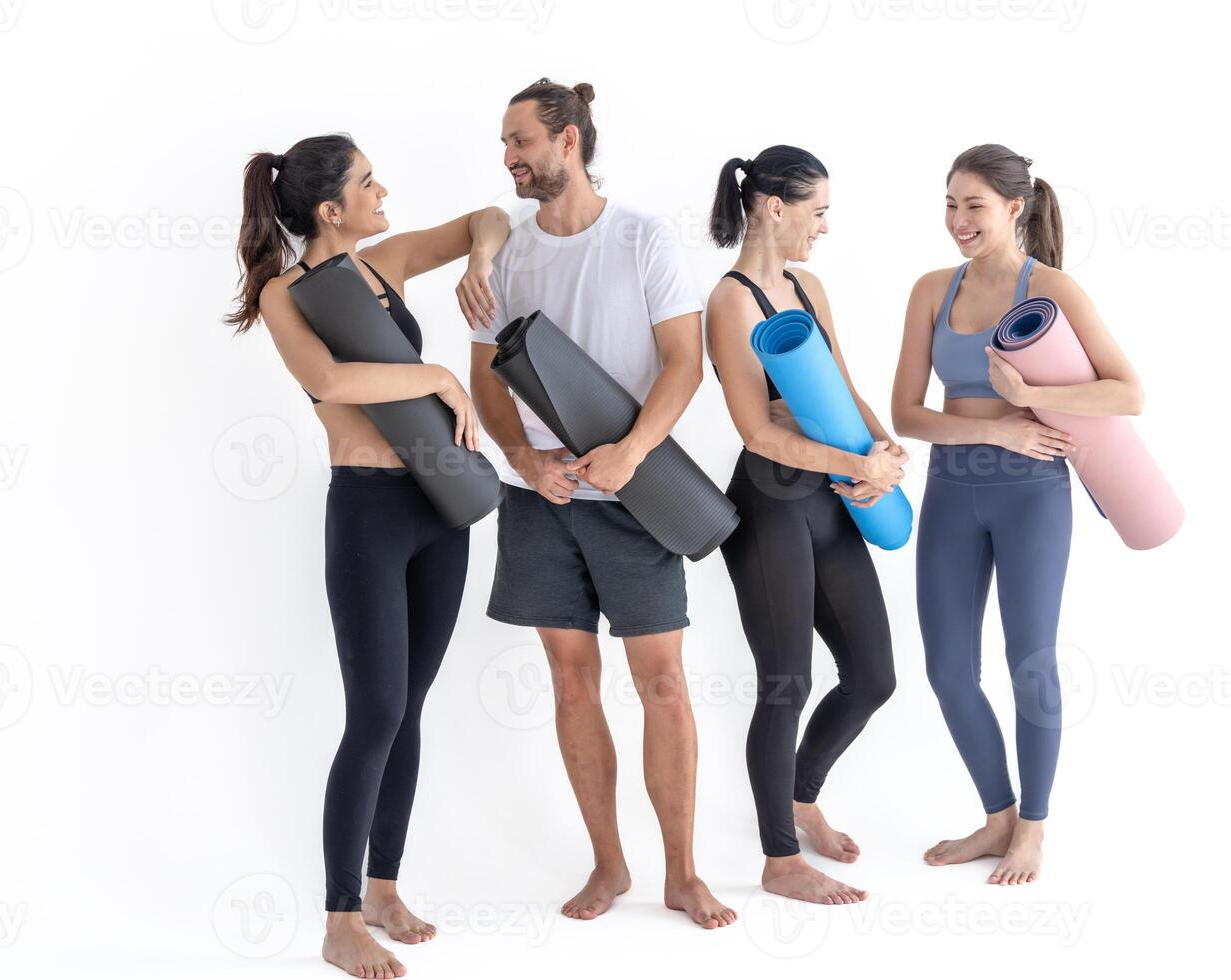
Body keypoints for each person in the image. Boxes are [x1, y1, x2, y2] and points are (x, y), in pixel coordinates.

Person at [228, 132, 509, 976]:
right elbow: (332, 382)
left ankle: (384, 886)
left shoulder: (383, 265)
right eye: (366, 182)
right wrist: (438, 378)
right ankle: (340, 916)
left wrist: (480, 263)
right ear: (329, 209)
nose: (382, 191)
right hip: (368, 514)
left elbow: (487, 217)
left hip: (441, 510)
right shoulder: (289, 294)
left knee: (411, 706)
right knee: (375, 712)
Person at [468, 79, 735, 929]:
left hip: (635, 494)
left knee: (662, 684)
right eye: (505, 145)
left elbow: (682, 362)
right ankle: (609, 865)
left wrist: (633, 451)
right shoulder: (506, 252)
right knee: (572, 683)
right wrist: (522, 458)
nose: (510, 157)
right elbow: (485, 379)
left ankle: (684, 874)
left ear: (570, 141)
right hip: (539, 499)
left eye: (521, 142)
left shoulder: (641, 237)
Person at [891, 144, 1145, 885]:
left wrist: (1034, 397)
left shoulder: (1055, 289)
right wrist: (996, 424)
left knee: (1029, 662)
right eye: (949, 203)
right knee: (946, 670)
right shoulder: (931, 290)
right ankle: (997, 816)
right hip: (951, 490)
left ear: (1013, 207)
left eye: (973, 204)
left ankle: (1032, 829)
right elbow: (908, 413)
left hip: (1032, 494)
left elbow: (1129, 392)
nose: (958, 219)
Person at [704, 145, 905, 905]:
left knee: (873, 675)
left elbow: (844, 390)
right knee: (785, 683)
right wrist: (850, 464)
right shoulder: (729, 303)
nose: (824, 226)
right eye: (816, 211)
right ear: (773, 207)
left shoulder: (808, 287)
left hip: (830, 497)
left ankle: (800, 795)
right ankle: (779, 861)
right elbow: (757, 430)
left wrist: (879, 450)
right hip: (769, 506)